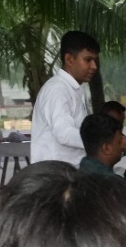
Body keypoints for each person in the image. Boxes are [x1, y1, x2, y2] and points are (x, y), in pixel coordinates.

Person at [30, 29, 98, 165]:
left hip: (67, 173)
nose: (94, 66)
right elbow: (64, 134)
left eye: (95, 61)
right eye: (88, 60)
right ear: (69, 60)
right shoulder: (57, 89)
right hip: (54, 177)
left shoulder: (74, 89)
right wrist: (102, 141)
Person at [78, 112, 126, 181]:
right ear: (106, 148)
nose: (122, 147)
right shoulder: (114, 184)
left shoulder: (76, 175)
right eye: (119, 142)